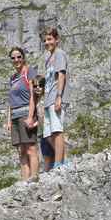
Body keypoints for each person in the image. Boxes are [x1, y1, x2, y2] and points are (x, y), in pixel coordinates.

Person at [5, 47, 38, 181]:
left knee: (30, 148)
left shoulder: (29, 72)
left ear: (23, 57)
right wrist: (8, 120)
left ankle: (34, 178)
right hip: (15, 117)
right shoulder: (12, 78)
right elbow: (10, 101)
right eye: (13, 58)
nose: (16, 60)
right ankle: (25, 182)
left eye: (19, 57)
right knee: (22, 151)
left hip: (26, 113)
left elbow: (33, 96)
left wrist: (30, 116)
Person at [41, 27, 69, 169]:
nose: (47, 42)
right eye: (45, 40)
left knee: (57, 131)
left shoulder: (59, 54)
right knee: (47, 135)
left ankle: (59, 164)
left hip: (56, 97)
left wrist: (59, 96)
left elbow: (61, 75)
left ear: (57, 40)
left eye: (50, 39)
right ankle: (64, 160)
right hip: (47, 100)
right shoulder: (48, 58)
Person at [31, 75, 55, 172]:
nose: (37, 88)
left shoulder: (46, 98)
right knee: (45, 153)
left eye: (40, 85)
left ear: (44, 86)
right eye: (35, 86)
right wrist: (35, 124)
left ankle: (61, 162)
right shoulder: (37, 101)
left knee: (53, 147)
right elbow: (39, 117)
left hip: (49, 129)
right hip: (41, 132)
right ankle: (47, 170)